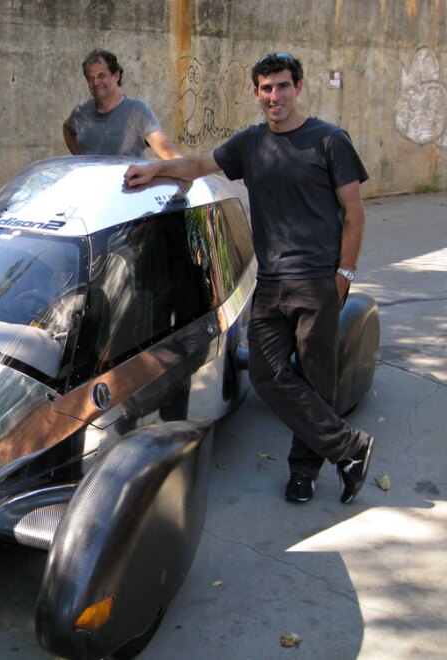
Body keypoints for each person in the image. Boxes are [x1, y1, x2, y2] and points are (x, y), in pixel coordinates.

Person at [124, 52, 374, 505]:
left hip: (318, 280)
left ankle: (304, 470)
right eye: (265, 88)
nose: (274, 96)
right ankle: (348, 447)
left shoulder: (330, 141)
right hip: (272, 281)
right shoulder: (250, 144)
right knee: (265, 372)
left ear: (298, 88)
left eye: (282, 86)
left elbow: (354, 215)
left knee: (316, 379)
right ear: (256, 93)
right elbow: (199, 165)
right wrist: (155, 168)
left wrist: (343, 276)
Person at [63, 49, 182, 159]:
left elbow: (168, 152)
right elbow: (67, 129)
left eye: (101, 76)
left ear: (116, 75)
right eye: (90, 78)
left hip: (126, 181)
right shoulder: (81, 111)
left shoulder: (137, 111)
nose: (95, 82)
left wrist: (185, 171)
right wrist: (79, 159)